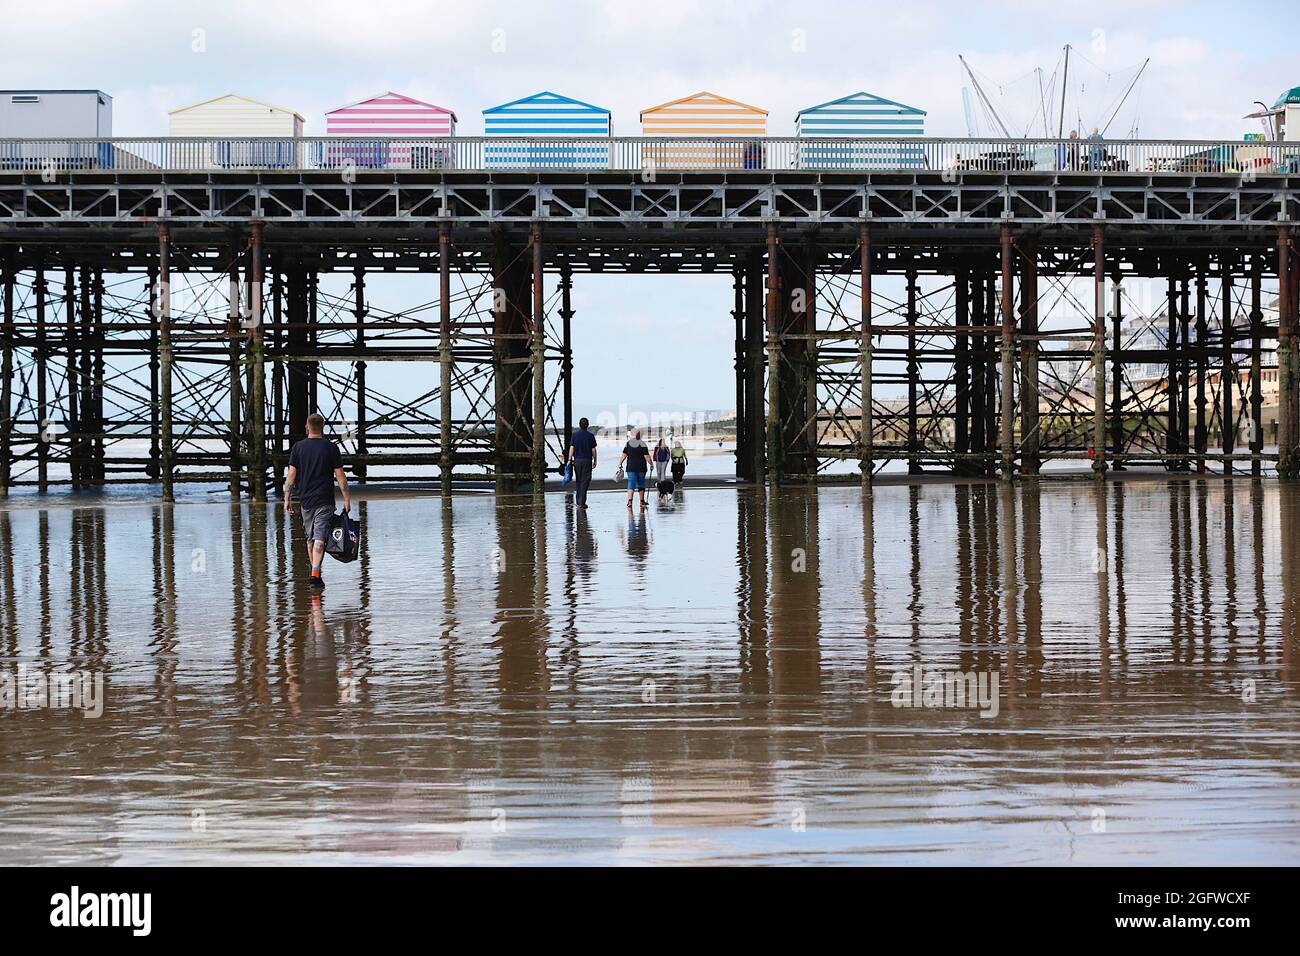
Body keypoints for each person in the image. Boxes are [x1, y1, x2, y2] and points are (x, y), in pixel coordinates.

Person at [284, 412, 350, 590]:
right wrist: (347, 499)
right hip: (325, 499)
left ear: (307, 427)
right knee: (319, 537)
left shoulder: (298, 448)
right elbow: (341, 477)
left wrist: (286, 499)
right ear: (323, 428)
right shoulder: (331, 448)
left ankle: (315, 572)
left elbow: (290, 477)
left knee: (311, 538)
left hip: (306, 500)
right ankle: (315, 575)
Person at [618, 428, 653, 510]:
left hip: (631, 467)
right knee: (641, 483)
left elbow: (624, 454)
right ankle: (642, 501)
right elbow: (646, 456)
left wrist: (620, 463)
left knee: (631, 483)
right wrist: (651, 464)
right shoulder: (643, 444)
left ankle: (630, 501)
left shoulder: (629, 443)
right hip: (641, 467)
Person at [567, 417, 597, 508]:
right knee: (585, 481)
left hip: (577, 461)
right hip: (587, 460)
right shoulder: (590, 436)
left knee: (579, 480)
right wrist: (595, 460)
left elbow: (572, 448)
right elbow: (593, 450)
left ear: (579, 425)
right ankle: (581, 502)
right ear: (587, 425)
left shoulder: (575, 435)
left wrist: (569, 459)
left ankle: (579, 500)